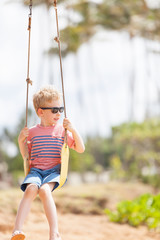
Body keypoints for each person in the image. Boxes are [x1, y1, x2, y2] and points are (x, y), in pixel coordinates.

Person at [11, 85, 85, 240]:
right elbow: (26, 156)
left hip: (54, 171)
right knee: (30, 189)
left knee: (44, 191)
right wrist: (20, 140)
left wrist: (73, 130)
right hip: (36, 171)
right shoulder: (31, 132)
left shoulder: (62, 131)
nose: (58, 113)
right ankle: (17, 230)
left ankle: (54, 233)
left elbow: (80, 148)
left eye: (60, 109)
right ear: (40, 112)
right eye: (54, 110)